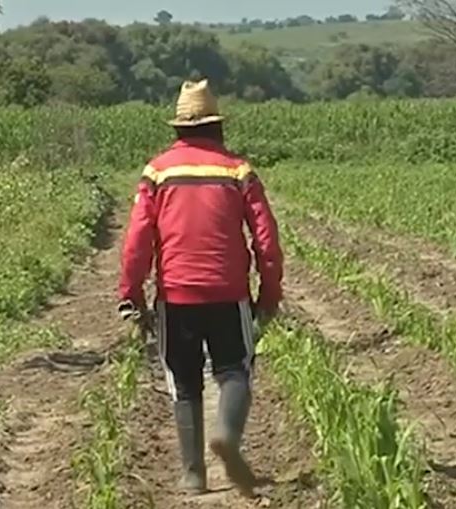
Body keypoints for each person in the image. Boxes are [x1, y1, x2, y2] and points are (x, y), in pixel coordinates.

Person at [117, 78, 284, 498]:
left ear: (178, 128)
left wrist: (131, 293)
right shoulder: (238, 170)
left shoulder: (157, 172)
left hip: (176, 296)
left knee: (184, 381)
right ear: (217, 126)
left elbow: (137, 240)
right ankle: (226, 435)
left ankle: (193, 474)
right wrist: (269, 295)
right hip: (229, 294)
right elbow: (266, 239)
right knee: (235, 369)